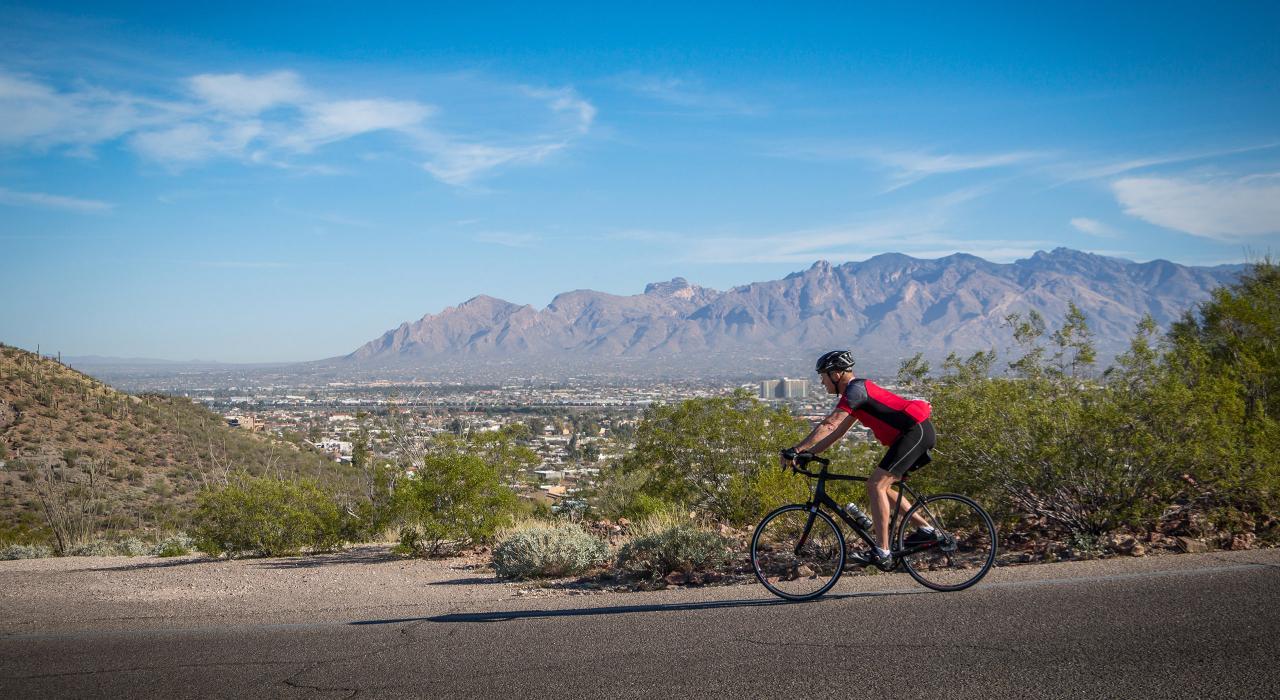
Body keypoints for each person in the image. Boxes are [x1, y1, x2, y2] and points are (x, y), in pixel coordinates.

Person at [780, 350, 938, 568]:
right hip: (913, 434)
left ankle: (882, 551)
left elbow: (830, 424)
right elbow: (838, 433)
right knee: (884, 488)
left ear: (836, 374)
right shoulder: (855, 395)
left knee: (876, 485)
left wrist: (796, 450)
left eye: (823, 376)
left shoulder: (856, 390)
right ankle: (926, 530)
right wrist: (811, 453)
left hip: (915, 432)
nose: (822, 382)